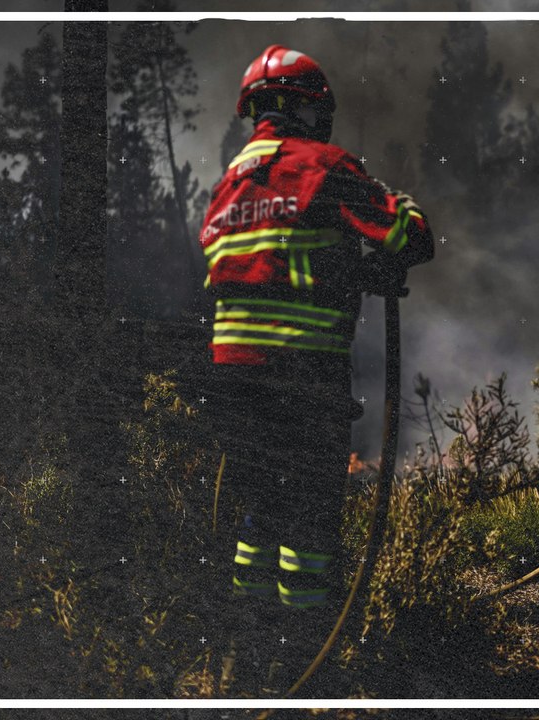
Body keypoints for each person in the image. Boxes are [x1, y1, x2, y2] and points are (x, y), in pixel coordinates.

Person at [198, 45, 433, 691]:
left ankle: (246, 654)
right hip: (300, 374)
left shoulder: (228, 184)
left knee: (260, 510)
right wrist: (399, 207)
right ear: (308, 106)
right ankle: (305, 661)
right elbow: (411, 239)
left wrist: (344, 269)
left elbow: (267, 266)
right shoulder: (325, 166)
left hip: (233, 376)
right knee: (308, 518)